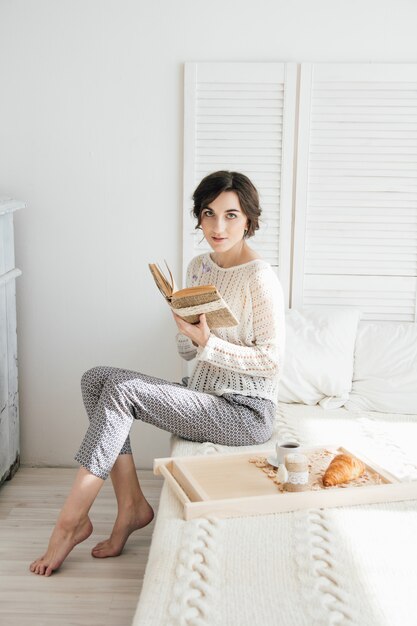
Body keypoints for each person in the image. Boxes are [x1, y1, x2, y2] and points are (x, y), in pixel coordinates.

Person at [30, 170, 286, 576]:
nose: (218, 226)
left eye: (231, 215)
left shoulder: (260, 278)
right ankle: (131, 505)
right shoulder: (199, 267)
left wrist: (209, 343)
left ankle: (70, 521)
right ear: (198, 217)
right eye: (209, 213)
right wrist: (188, 331)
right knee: (96, 379)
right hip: (204, 394)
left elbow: (272, 362)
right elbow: (189, 352)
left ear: (250, 220)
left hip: (245, 412)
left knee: (120, 391)